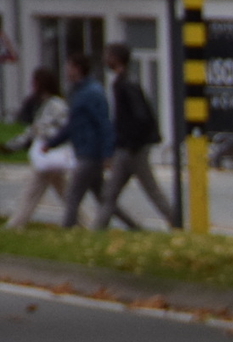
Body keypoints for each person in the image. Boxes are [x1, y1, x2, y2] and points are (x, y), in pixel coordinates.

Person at [96, 42, 177, 230]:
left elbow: (138, 116)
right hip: (129, 147)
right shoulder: (124, 82)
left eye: (107, 55)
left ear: (115, 59)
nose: (104, 59)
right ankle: (174, 222)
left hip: (131, 149)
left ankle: (176, 222)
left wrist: (129, 143)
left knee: (145, 191)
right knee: (111, 194)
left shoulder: (124, 85)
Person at [51, 54, 120, 229]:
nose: (66, 70)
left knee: (73, 194)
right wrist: (52, 143)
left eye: (69, 66)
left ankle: (66, 230)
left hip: (91, 152)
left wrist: (107, 153)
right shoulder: (76, 91)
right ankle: (134, 227)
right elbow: (73, 124)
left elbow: (104, 123)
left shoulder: (92, 92)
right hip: (83, 149)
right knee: (104, 198)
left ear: (77, 68)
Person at [7, 70, 73, 229]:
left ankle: (15, 225)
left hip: (49, 154)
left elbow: (54, 129)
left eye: (34, 82)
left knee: (32, 192)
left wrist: (15, 145)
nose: (32, 86)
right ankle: (86, 224)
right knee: (66, 195)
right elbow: (36, 129)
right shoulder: (46, 104)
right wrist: (13, 145)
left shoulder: (55, 105)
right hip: (48, 156)